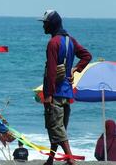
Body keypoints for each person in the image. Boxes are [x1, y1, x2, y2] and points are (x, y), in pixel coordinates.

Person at [40, 10, 92, 165]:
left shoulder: (53, 43)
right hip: (67, 92)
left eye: (45, 23)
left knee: (56, 127)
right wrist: (76, 68)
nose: (43, 25)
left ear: (52, 24)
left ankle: (70, 160)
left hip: (55, 92)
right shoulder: (70, 40)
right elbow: (87, 56)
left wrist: (48, 94)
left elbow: (51, 71)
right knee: (58, 127)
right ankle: (51, 158)